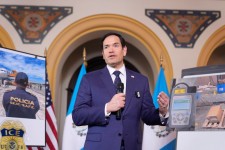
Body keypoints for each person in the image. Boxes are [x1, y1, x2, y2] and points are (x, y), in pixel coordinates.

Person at [72, 32, 169, 150]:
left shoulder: (141, 81)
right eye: (106, 47)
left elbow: (147, 115)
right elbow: (78, 116)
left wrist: (162, 112)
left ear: (124, 50)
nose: (110, 50)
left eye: (115, 45)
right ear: (103, 54)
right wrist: (107, 108)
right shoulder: (89, 79)